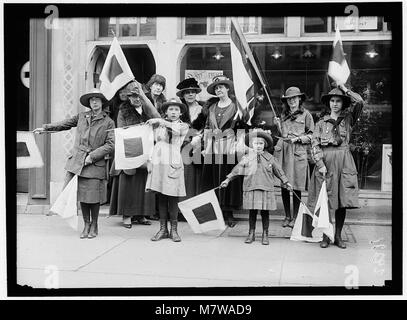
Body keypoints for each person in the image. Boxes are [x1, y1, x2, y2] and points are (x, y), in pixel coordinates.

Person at [33, 88, 115, 239]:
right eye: (92, 100)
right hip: (78, 163)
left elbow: (110, 144)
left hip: (95, 164)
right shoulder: (82, 116)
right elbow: (65, 124)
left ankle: (95, 225)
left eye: (97, 99)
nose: (94, 102)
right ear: (89, 103)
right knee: (83, 196)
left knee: (93, 198)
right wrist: (45, 128)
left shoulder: (108, 122)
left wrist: (93, 156)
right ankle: (86, 225)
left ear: (102, 102)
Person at [307, 84, 364, 249]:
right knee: (325, 200)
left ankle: (338, 236)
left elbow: (359, 101)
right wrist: (320, 164)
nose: (335, 104)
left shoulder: (348, 120)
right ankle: (326, 235)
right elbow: (314, 145)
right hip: (326, 162)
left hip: (344, 161)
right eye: (332, 100)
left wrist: (343, 88)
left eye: (339, 101)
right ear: (328, 103)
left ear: (343, 103)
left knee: (341, 200)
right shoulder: (320, 123)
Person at [221, 130, 291, 245]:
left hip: (266, 189)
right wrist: (227, 179)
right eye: (256, 143)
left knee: (265, 213)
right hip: (251, 187)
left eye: (261, 144)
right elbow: (237, 170)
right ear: (251, 145)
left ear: (265, 145)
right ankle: (251, 233)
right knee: (252, 212)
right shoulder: (247, 158)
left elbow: (279, 171)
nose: (258, 146)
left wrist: (286, 182)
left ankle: (265, 234)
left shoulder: (270, 158)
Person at [109, 81, 161, 228]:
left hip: (147, 149)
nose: (136, 99)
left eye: (138, 96)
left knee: (143, 182)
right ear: (128, 97)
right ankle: (127, 215)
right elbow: (121, 129)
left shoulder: (148, 110)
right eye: (133, 96)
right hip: (129, 150)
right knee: (129, 184)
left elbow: (158, 122)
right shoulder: (123, 111)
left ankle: (141, 214)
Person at [201, 75, 248, 228]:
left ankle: (228, 212)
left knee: (228, 176)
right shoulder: (212, 108)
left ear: (227, 88)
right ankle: (216, 211)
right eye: (216, 88)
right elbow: (208, 127)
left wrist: (239, 143)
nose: (219, 89)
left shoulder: (236, 107)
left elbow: (241, 127)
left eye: (221, 87)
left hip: (230, 145)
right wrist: (206, 145)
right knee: (214, 177)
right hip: (214, 147)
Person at [145, 97, 189, 242]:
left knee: (173, 197)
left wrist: (160, 121)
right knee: (161, 196)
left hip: (173, 163)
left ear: (181, 113)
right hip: (158, 163)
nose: (174, 112)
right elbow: (151, 143)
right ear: (166, 111)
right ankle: (163, 229)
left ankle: (174, 230)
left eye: (177, 109)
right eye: (171, 109)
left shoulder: (183, 126)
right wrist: (150, 161)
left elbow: (175, 130)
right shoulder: (159, 126)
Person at [274, 87, 314, 228]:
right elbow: (283, 134)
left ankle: (295, 217)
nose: (292, 101)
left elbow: (312, 136)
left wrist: (297, 139)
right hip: (284, 153)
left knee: (296, 185)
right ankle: (287, 216)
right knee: (285, 185)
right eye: (289, 99)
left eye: (294, 98)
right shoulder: (283, 115)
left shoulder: (306, 115)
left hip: (298, 152)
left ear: (299, 99)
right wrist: (278, 125)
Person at [176, 78, 208, 217]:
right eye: (187, 92)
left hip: (199, 146)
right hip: (182, 146)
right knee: (184, 177)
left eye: (192, 92)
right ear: (182, 95)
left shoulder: (203, 109)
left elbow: (208, 126)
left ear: (196, 94)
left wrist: (199, 138)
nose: (190, 95)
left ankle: (196, 210)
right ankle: (181, 211)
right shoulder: (179, 110)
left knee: (198, 178)